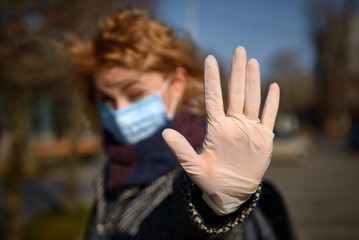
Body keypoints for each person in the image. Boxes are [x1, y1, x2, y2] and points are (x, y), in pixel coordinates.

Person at [72, 7, 295, 240]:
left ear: (177, 83)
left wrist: (215, 206)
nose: (119, 109)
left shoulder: (203, 164)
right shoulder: (112, 173)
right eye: (107, 99)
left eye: (135, 93)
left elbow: (199, 221)